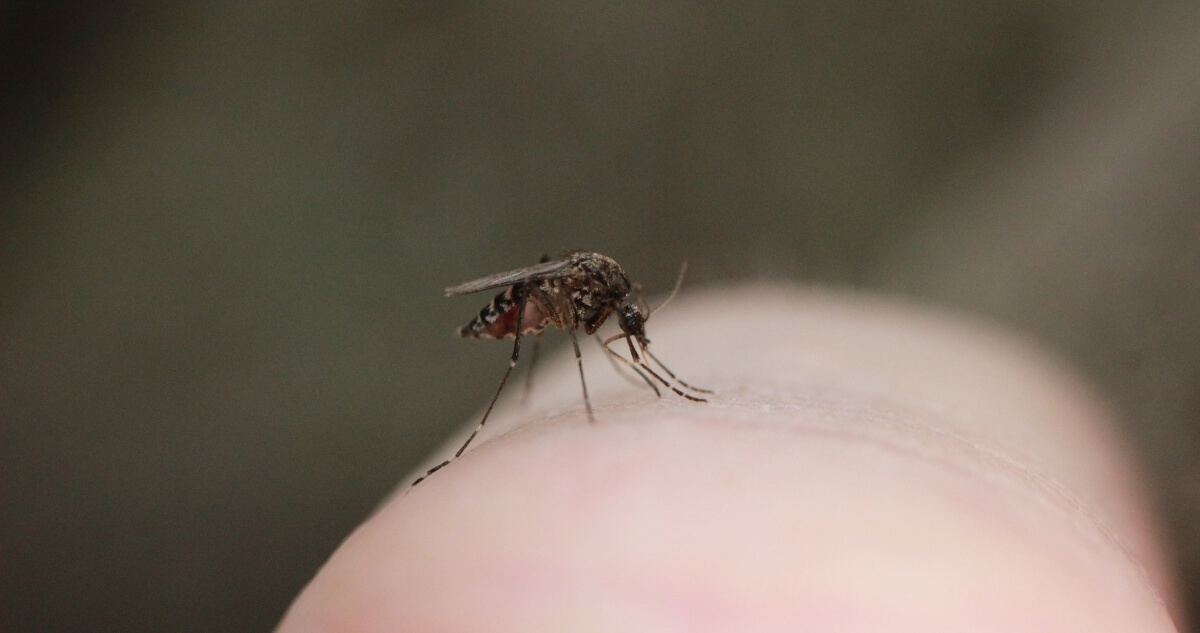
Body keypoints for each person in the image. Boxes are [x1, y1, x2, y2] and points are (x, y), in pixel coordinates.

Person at [276, 286, 1180, 631]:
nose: (628, 331)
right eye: (630, 327)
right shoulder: (579, 298)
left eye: (631, 331)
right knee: (536, 359)